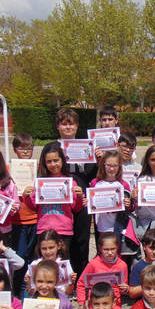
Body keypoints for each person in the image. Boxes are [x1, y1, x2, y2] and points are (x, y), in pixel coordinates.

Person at [54, 108, 96, 277]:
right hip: (60, 202)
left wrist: (98, 161)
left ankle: (80, 278)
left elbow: (93, 176)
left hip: (82, 201)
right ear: (58, 126)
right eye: (64, 124)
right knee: (61, 242)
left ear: (77, 126)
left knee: (82, 241)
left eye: (71, 124)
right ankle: (61, 278)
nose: (68, 127)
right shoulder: (52, 147)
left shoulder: (86, 147)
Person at [22, 142, 84, 253]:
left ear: (62, 161)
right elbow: (34, 207)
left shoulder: (70, 182)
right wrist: (26, 197)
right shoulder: (40, 182)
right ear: (44, 163)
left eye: (56, 160)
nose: (53, 164)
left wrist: (79, 196)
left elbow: (76, 208)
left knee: (62, 262)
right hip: (44, 229)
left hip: (64, 230)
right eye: (49, 161)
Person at [90, 149, 136, 263]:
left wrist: (128, 204)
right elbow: (91, 206)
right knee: (104, 255)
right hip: (102, 226)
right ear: (103, 165)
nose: (111, 169)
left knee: (119, 257)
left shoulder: (123, 184)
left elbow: (131, 207)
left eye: (115, 165)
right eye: (108, 165)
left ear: (119, 166)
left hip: (119, 226)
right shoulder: (95, 183)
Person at [10, 132, 37, 298]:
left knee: (32, 257)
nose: (26, 152)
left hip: (35, 218)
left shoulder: (38, 168)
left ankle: (31, 288)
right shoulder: (9, 169)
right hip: (17, 220)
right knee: (20, 258)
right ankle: (19, 290)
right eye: (22, 148)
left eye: (29, 148)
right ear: (15, 150)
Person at [77, 232, 128, 309]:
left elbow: (122, 289)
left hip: (114, 303)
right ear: (100, 249)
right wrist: (81, 304)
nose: (110, 252)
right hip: (96, 302)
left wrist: (125, 288)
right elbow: (81, 284)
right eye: (106, 249)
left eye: (112, 249)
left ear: (117, 248)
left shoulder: (122, 265)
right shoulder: (93, 264)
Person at [25, 229, 74, 296]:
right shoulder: (35, 264)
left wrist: (71, 282)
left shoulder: (63, 264)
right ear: (40, 248)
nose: (48, 252)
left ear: (58, 246)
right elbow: (31, 293)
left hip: (60, 299)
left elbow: (68, 292)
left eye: (51, 248)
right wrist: (29, 283)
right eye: (44, 248)